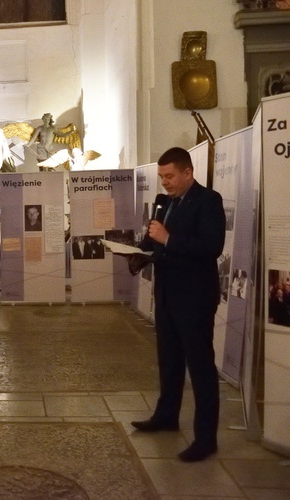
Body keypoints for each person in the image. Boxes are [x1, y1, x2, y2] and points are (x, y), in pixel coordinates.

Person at [130, 146, 226, 462]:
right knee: (169, 361)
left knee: (200, 367)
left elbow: (210, 247)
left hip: (195, 299)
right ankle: (166, 416)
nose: (165, 183)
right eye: (161, 177)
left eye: (170, 176)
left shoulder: (208, 202)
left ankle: (205, 438)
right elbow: (156, 243)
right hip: (169, 296)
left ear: (188, 172)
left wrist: (167, 239)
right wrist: (138, 253)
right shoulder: (165, 203)